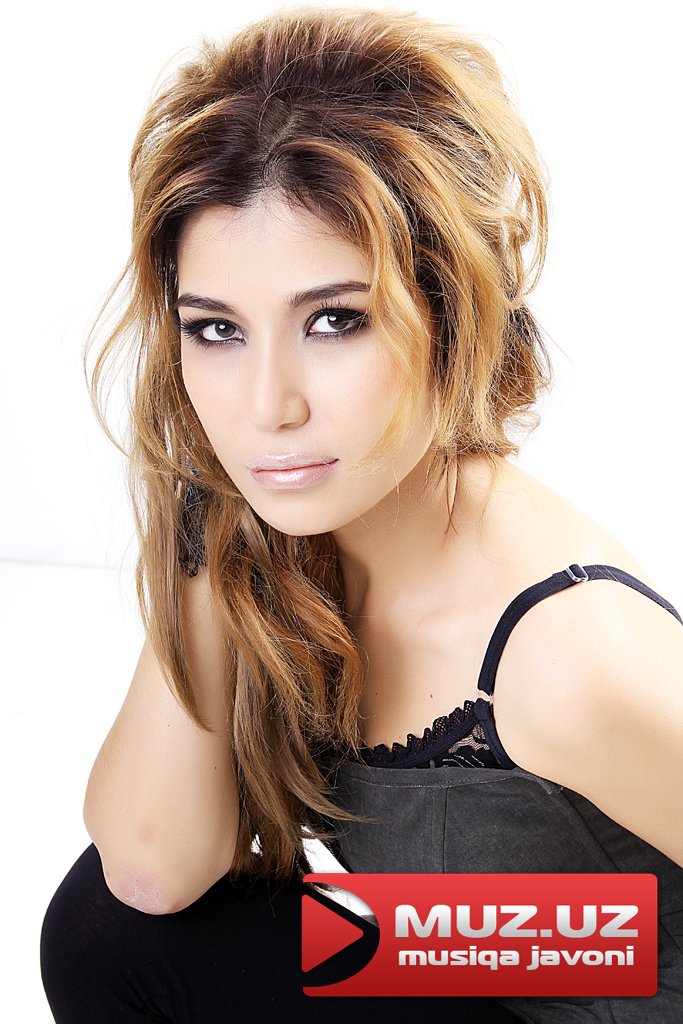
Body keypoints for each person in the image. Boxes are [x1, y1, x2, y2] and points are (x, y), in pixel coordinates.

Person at [39, 4, 683, 1022]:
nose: (267, 406)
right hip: (512, 969)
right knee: (106, 931)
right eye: (217, 331)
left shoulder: (571, 657)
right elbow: (152, 868)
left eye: (334, 320)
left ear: (452, 312)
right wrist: (207, 529)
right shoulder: (300, 546)